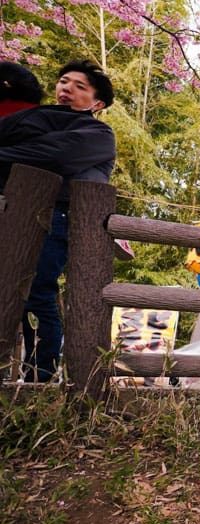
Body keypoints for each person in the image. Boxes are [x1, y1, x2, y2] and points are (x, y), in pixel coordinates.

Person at [0, 60, 117, 382]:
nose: (67, 89)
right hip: (12, 211)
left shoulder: (97, 133)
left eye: (80, 86)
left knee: (37, 290)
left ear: (97, 103)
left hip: (58, 216)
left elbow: (53, 155)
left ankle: (40, 374)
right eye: (64, 82)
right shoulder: (34, 116)